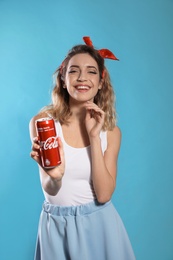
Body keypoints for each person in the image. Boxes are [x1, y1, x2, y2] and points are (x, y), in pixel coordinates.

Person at [29, 36, 135, 260]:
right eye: (74, 71)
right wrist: (56, 177)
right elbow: (50, 188)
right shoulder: (43, 123)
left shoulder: (112, 133)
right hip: (54, 228)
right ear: (63, 79)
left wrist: (94, 136)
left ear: (100, 81)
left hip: (99, 226)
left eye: (91, 71)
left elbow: (104, 194)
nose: (82, 78)